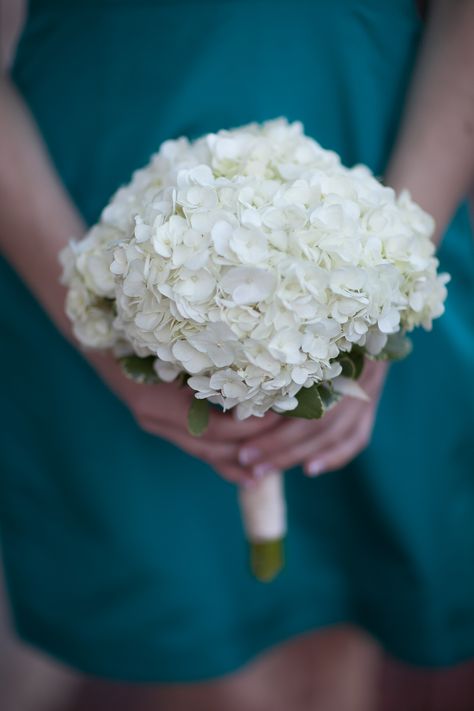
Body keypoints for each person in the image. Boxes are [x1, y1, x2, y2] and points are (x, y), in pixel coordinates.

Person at [1, 1, 473, 709]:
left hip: (391, 157)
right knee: (184, 635)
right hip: (79, 206)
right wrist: (103, 328)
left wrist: (386, 285)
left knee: (361, 595)